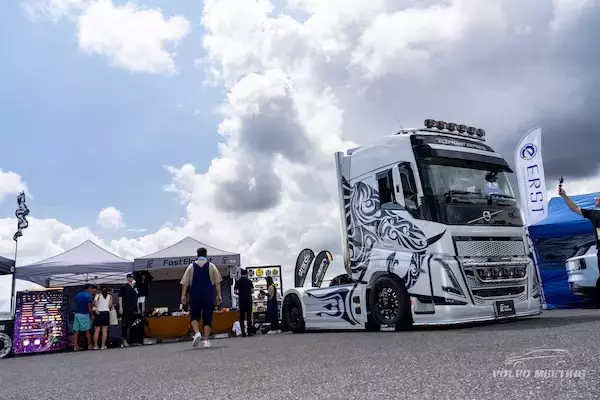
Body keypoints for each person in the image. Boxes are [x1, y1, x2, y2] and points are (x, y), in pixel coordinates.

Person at [180, 247, 223, 348]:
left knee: (194, 315)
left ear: (197, 255)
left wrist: (183, 295)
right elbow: (217, 282)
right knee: (207, 315)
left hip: (194, 293)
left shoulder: (191, 266)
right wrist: (219, 295)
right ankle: (206, 341)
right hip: (208, 293)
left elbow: (185, 282)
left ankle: (197, 333)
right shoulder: (211, 266)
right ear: (206, 255)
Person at [559, 185, 600, 266]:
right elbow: (574, 208)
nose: (596, 199)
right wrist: (564, 196)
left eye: (598, 198)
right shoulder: (594, 214)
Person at [73, 284, 96, 351]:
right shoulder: (88, 296)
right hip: (84, 314)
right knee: (87, 329)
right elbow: (89, 307)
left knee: (76, 330)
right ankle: (89, 345)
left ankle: (76, 346)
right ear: (89, 288)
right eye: (91, 288)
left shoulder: (77, 295)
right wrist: (92, 314)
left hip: (76, 314)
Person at [119, 273, 138, 347]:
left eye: (132, 277)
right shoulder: (124, 287)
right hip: (126, 307)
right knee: (125, 324)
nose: (131, 278)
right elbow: (120, 297)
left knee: (132, 324)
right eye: (130, 277)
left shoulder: (134, 287)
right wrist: (121, 307)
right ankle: (124, 340)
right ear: (127, 278)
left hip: (133, 308)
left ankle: (132, 340)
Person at [234, 268, 254, 337]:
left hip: (241, 300)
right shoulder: (249, 281)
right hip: (248, 300)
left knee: (242, 317)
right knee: (249, 316)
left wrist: (240, 294)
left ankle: (243, 332)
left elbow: (235, 292)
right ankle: (249, 332)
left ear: (241, 274)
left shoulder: (238, 281)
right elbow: (252, 291)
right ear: (246, 274)